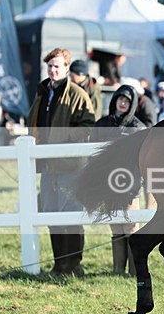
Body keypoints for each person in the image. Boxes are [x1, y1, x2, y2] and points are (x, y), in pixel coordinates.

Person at [29, 48, 96, 277]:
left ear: (67, 68)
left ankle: (74, 265)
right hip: (47, 164)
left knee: (72, 215)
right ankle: (59, 265)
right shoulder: (41, 93)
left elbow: (88, 125)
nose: (53, 70)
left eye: (57, 66)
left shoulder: (78, 94)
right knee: (50, 214)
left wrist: (63, 139)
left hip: (70, 165)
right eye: (50, 66)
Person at [92, 85, 147, 275]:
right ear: (114, 100)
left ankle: (134, 270)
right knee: (115, 227)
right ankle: (117, 269)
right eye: (120, 99)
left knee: (130, 227)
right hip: (107, 184)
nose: (123, 103)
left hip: (129, 185)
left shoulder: (138, 128)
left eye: (127, 101)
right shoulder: (102, 124)